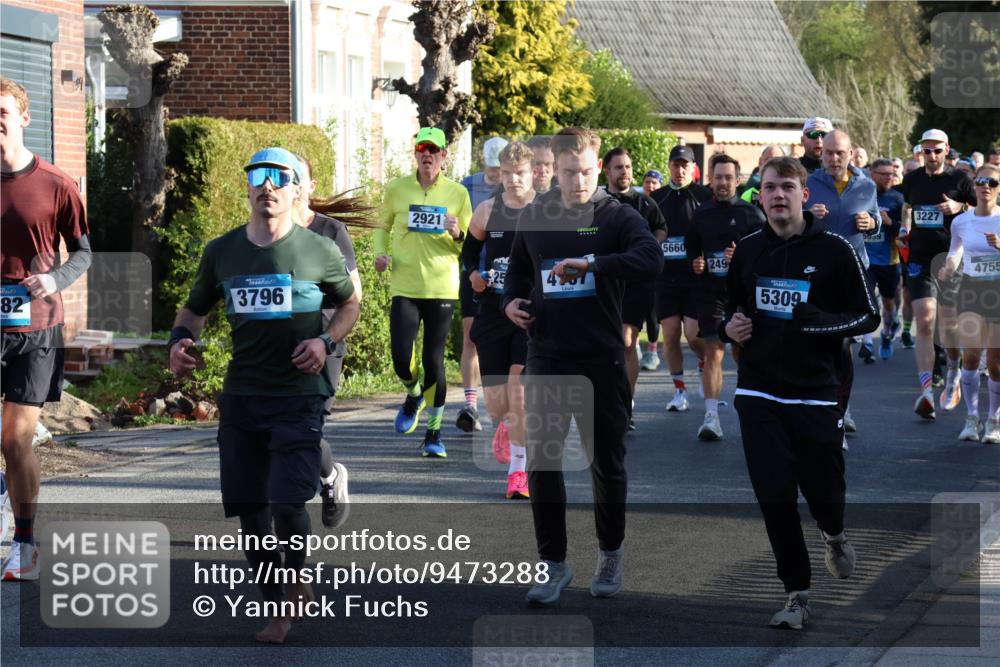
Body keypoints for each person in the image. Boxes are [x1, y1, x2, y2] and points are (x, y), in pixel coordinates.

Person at [169, 147, 360, 643]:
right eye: (259, 177)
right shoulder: (223, 251)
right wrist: (179, 344)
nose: (268, 186)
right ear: (249, 188)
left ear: (296, 190)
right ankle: (283, 591)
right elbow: (192, 311)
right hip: (242, 396)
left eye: (280, 178)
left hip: (299, 394)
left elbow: (350, 303)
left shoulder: (319, 250)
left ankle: (283, 607)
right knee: (250, 510)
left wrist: (325, 341)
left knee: (287, 504)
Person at [503, 127, 662, 607]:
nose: (578, 181)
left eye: (587, 173)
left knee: (605, 462)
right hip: (548, 353)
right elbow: (518, 271)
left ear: (597, 169)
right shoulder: (535, 213)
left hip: (601, 356)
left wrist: (592, 264)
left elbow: (650, 258)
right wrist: (511, 302)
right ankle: (554, 563)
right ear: (554, 167)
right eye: (569, 172)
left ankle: (610, 551)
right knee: (543, 461)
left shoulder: (617, 215)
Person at [721, 156, 879, 630]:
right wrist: (729, 327)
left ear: (803, 194)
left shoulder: (834, 249)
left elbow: (868, 315)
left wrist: (823, 325)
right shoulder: (749, 250)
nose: (777, 195)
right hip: (760, 391)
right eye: (769, 187)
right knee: (774, 496)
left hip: (816, 391)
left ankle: (833, 533)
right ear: (761, 195)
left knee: (824, 492)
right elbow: (725, 306)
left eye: (787, 186)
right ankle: (796, 595)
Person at [0, 77, 92, 581]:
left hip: (35, 326)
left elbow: (82, 252)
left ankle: (25, 544)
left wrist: (52, 278)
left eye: (2, 112)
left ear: (23, 118)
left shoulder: (56, 183)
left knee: (15, 441)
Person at [375, 128, 473, 456]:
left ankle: (434, 434)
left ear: (444, 156)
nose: (427, 155)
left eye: (434, 149)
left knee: (434, 360)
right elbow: (381, 225)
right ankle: (414, 393)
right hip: (405, 284)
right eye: (422, 149)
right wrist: (380, 255)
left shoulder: (458, 193)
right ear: (415, 154)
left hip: (442, 286)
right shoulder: (397, 189)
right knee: (402, 356)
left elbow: (472, 244)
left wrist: (458, 232)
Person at [292, 152, 374, 529]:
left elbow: (353, 295)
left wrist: (327, 337)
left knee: (305, 426)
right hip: (278, 339)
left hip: (325, 336)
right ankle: (315, 484)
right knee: (277, 427)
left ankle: (327, 478)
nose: (286, 185)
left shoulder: (329, 232)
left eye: (296, 178)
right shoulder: (260, 232)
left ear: (309, 187)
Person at [461, 142, 536, 498]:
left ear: (532, 172)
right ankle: (507, 426)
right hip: (492, 309)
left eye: (519, 173)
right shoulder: (487, 210)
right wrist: (474, 274)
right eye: (506, 174)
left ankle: (518, 472)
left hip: (527, 312)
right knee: (496, 401)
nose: (512, 180)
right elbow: (469, 251)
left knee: (519, 390)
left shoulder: (545, 211)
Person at [804, 129, 879, 445]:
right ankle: (820, 408)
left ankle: (838, 414)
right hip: (816, 274)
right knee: (817, 346)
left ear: (851, 154)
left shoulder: (867, 185)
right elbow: (791, 223)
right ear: (821, 154)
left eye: (840, 153)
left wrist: (871, 223)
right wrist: (808, 216)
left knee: (844, 345)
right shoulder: (809, 184)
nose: (834, 158)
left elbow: (875, 227)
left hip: (853, 275)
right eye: (829, 153)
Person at [896, 129, 977, 419]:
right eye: (927, 151)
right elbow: (908, 207)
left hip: (950, 260)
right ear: (921, 152)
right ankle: (927, 391)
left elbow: (985, 211)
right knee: (925, 321)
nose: (932, 156)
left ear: (947, 150)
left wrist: (960, 205)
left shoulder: (960, 180)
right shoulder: (913, 179)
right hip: (918, 258)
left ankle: (953, 369)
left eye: (937, 151)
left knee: (948, 327)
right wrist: (905, 229)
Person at [686, 153, 765, 440]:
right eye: (718, 177)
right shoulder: (701, 213)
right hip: (711, 292)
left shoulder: (752, 215)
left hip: (741, 294)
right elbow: (691, 246)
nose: (722, 182)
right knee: (713, 349)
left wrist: (741, 257)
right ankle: (711, 417)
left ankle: (752, 405)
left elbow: (764, 255)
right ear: (711, 178)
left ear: (738, 179)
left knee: (742, 352)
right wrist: (695, 261)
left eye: (728, 177)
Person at [603, 147, 667, 430]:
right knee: (605, 345)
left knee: (627, 341)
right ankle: (606, 401)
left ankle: (624, 403)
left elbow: (661, 228)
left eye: (628, 167)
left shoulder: (644, 203)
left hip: (636, 283)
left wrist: (649, 247)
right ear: (607, 171)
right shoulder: (597, 202)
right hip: (603, 281)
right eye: (619, 167)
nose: (625, 172)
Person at [937, 165, 1000, 442]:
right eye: (981, 181)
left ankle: (994, 419)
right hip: (972, 289)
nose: (986, 186)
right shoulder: (961, 221)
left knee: (996, 363)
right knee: (972, 355)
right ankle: (972, 418)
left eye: (993, 182)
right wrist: (949, 267)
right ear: (974, 187)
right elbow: (955, 250)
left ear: (998, 188)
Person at [652, 144, 712, 412]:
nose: (680, 170)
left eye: (685, 165)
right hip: (665, 280)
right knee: (671, 333)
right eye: (675, 165)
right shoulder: (658, 198)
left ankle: (703, 365)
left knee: (694, 334)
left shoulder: (704, 196)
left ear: (693, 168)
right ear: (669, 167)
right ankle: (679, 392)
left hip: (695, 278)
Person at [457, 139, 510, 433]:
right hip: (477, 272)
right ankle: (470, 404)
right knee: (471, 337)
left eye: (498, 169)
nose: (494, 175)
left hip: (509, 276)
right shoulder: (468, 185)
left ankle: (505, 407)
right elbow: (465, 236)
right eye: (490, 168)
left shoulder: (519, 191)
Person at [867, 158, 906, 361]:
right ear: (872, 174)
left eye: (891, 174)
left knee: (888, 303)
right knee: (868, 300)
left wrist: (890, 222)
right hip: (865, 258)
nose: (889, 177)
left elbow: (905, 230)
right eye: (884, 174)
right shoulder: (862, 195)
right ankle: (866, 341)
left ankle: (887, 333)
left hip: (889, 260)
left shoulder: (898, 198)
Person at [462, 136, 508, 210]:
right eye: (493, 167)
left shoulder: (513, 188)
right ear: (484, 162)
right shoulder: (467, 185)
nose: (499, 172)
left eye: (503, 168)